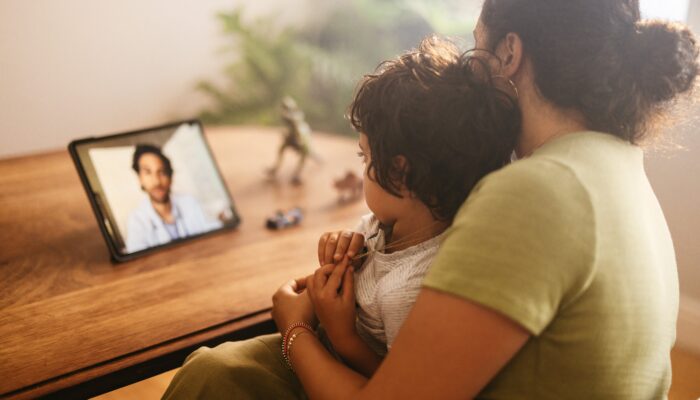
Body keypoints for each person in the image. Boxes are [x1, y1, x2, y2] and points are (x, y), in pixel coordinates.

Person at [267, 1, 699, 399]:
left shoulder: (536, 191)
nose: (466, 73)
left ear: (510, 53)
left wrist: (295, 331)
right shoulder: (619, 163)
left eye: (477, 47)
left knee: (218, 370)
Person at [161, 36, 520, 399]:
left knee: (210, 374)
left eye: (365, 158)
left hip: (334, 367)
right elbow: (368, 241)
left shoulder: (410, 291)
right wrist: (339, 245)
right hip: (321, 344)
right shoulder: (392, 224)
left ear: (399, 173)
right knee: (209, 365)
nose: (362, 167)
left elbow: (393, 384)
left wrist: (332, 333)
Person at [126, 144, 222, 253]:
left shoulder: (190, 203)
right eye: (148, 173)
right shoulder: (136, 220)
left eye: (161, 172)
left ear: (170, 177)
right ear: (140, 179)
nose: (157, 181)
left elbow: (216, 234)